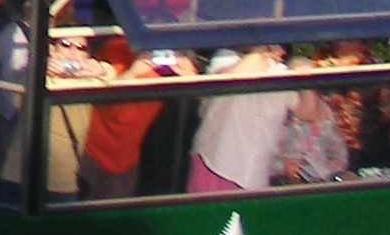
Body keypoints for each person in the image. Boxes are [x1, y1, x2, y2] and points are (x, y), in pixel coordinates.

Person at [76, 37, 194, 200]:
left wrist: (191, 76)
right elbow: (103, 97)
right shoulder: (116, 47)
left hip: (127, 159)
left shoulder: (174, 63)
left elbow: (204, 103)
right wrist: (133, 72)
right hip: (90, 152)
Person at [187, 45, 296, 196]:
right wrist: (259, 52)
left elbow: (308, 112)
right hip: (215, 166)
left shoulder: (283, 73)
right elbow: (228, 82)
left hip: (255, 177)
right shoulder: (225, 58)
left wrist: (303, 67)